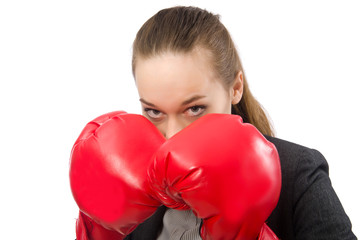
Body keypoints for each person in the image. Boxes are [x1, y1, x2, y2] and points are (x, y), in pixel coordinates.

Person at [70, 6, 356, 240]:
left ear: (235, 88)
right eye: (154, 111)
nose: (172, 135)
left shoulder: (296, 173)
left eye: (194, 108)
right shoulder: (137, 183)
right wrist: (97, 230)